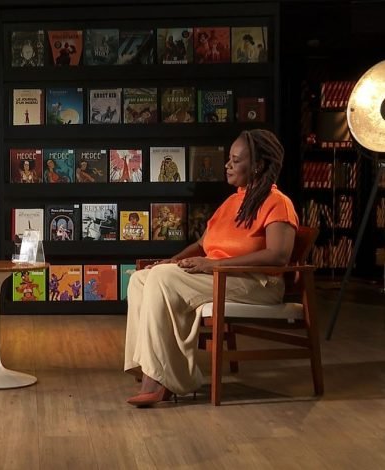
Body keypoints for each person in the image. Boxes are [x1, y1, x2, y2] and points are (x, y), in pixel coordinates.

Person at [123, 129, 298, 407]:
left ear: (258, 165)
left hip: (256, 283)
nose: (227, 165)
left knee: (161, 279)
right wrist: (173, 260)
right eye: (229, 158)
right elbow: (202, 244)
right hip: (220, 274)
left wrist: (215, 264)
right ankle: (146, 364)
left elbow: (278, 256)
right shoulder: (231, 202)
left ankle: (161, 379)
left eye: (236, 160)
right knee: (142, 279)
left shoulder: (279, 203)